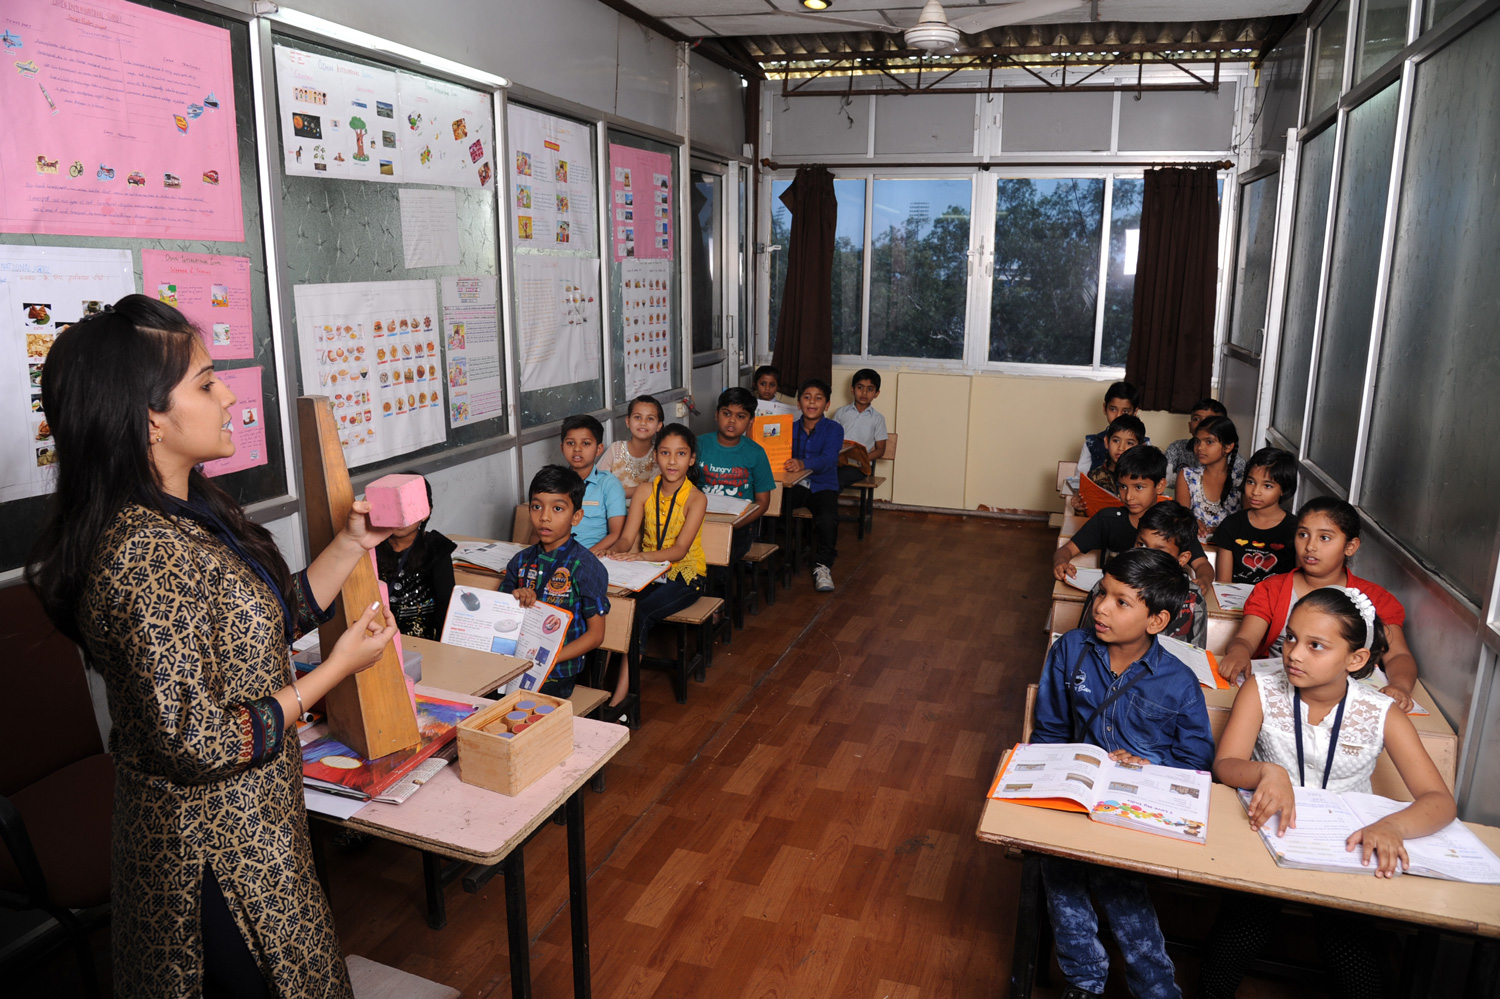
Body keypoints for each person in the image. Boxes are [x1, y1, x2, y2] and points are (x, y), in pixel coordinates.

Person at [26, 295, 398, 999]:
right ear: (149, 419)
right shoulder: (142, 552)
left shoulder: (190, 513)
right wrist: (334, 671)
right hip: (212, 854)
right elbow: (197, 742)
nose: (228, 396)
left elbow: (264, 624)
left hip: (258, 827)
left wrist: (352, 543)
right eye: (204, 384)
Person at [1199, 588, 1456, 999]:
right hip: (1267, 834)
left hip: (1345, 847)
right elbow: (1226, 764)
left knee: (1350, 952)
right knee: (1238, 934)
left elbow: (1439, 801)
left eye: (1316, 645)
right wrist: (1267, 771)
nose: (1294, 654)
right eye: (1291, 638)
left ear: (1355, 659)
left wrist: (1393, 826)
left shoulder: (1381, 713)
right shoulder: (1261, 689)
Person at [1033, 548, 1214, 999]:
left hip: (1140, 805)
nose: (1101, 607)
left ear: (1157, 620)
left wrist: (1153, 768)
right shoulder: (1070, 650)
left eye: (1121, 602)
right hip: (1077, 791)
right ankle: (1084, 980)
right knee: (1058, 863)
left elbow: (1196, 760)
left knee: (1117, 881)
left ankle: (1154, 987)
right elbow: (1050, 731)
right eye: (1102, 594)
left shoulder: (1178, 681)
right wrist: (1051, 779)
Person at [1216, 497, 1418, 712]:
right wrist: (1238, 653)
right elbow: (1245, 638)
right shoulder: (1272, 589)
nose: (1310, 546)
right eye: (1303, 534)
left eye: (1324, 538)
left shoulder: (1374, 599)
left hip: (1346, 705)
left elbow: (1398, 655)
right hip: (1281, 698)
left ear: (1350, 546)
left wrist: (1399, 686)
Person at [609, 424, 708, 709]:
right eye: (665, 453)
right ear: (655, 456)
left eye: (681, 454)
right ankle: (599, 689)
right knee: (611, 604)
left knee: (638, 613)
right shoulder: (644, 491)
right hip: (649, 572)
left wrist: (641, 557)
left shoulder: (696, 498)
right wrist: (612, 552)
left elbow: (679, 550)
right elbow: (627, 538)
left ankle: (621, 700)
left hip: (686, 575)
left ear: (691, 459)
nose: (672, 461)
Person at [499, 465, 610, 699]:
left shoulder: (585, 566)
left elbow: (596, 635)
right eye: (537, 506)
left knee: (513, 705)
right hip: (513, 664)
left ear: (576, 517)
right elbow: (500, 612)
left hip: (557, 674)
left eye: (558, 508)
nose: (545, 517)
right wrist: (515, 597)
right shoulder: (520, 561)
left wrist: (547, 658)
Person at [1054, 445, 1215, 594]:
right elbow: (1066, 550)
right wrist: (1061, 562)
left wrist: (1204, 580)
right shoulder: (1108, 519)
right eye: (1123, 486)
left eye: (1138, 487)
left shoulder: (1174, 523)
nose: (1129, 496)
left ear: (1159, 486)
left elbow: (1202, 565)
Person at [1078, 502, 1207, 647]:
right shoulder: (1106, 588)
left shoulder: (1192, 599)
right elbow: (1083, 643)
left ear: (1181, 559)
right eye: (1142, 545)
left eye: (1160, 551)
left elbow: (1195, 654)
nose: (1146, 555)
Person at [698, 386, 775, 564]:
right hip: (701, 519)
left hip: (741, 524)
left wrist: (737, 523)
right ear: (716, 414)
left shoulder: (756, 453)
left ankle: (715, 579)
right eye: (726, 414)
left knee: (720, 553)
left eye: (740, 416)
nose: (732, 420)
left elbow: (763, 502)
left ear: (750, 421)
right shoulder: (698, 444)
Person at [374, 474, 456, 640]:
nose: (399, 518)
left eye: (408, 508)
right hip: (378, 631)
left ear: (425, 512)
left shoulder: (436, 549)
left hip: (422, 638)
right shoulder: (372, 546)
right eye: (392, 508)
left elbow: (445, 603)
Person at [784, 378, 844, 592]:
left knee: (828, 519)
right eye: (807, 397)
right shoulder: (788, 429)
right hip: (795, 486)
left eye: (818, 398)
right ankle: (778, 557)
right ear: (798, 403)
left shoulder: (834, 429)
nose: (812, 402)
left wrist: (803, 463)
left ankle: (823, 566)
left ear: (827, 405)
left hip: (823, 485)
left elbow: (829, 459)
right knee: (773, 509)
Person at [1211, 446, 1297, 585]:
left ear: (1284, 489)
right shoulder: (1232, 524)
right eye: (1251, 482)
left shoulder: (1295, 529)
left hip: (1277, 598)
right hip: (1234, 597)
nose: (1255, 492)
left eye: (1267, 486)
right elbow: (1224, 583)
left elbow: (1297, 582)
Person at [560, 413, 626, 555]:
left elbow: (616, 534)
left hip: (593, 557)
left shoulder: (609, 484)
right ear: (562, 447)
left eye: (586, 443)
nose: (577, 449)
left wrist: (584, 557)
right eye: (570, 443)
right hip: (557, 556)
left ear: (599, 449)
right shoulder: (555, 481)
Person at [1175, 415, 1243, 539]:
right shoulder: (1187, 476)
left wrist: (1222, 530)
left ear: (1228, 446)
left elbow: (1248, 523)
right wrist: (1192, 523)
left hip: (1230, 545)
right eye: (1197, 441)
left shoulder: (1242, 481)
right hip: (1194, 544)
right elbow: (1181, 518)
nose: (1200, 447)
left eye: (1209, 442)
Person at [831, 367, 888, 491]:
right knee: (819, 474)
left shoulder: (878, 419)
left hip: (859, 466)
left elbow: (880, 450)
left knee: (837, 479)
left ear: (876, 393)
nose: (864, 393)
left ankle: (827, 503)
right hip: (837, 461)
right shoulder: (841, 413)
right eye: (860, 387)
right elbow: (831, 438)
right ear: (852, 389)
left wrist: (862, 458)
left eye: (870, 389)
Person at [600, 394, 663, 499]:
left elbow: (655, 488)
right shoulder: (616, 449)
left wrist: (614, 493)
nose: (643, 423)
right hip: (612, 507)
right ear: (628, 422)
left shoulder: (660, 455)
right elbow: (597, 482)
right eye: (637, 417)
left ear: (659, 426)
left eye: (650, 418)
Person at [1077, 413, 1145, 509]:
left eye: (1129, 443)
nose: (1121, 448)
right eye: (1116, 441)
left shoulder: (1144, 477)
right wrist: (1079, 508)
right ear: (1106, 442)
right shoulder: (1095, 477)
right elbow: (1087, 509)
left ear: (1141, 447)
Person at [1075, 380, 1141, 477]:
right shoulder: (1091, 444)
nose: (1118, 416)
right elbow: (1080, 479)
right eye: (1113, 409)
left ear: (1135, 412)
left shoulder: (1144, 444)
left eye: (1125, 411)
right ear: (1105, 408)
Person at [1163, 397, 1228, 481]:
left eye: (1209, 419)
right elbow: (1163, 478)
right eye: (1196, 419)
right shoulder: (1177, 447)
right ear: (1189, 426)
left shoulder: (1233, 459)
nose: (1202, 424)